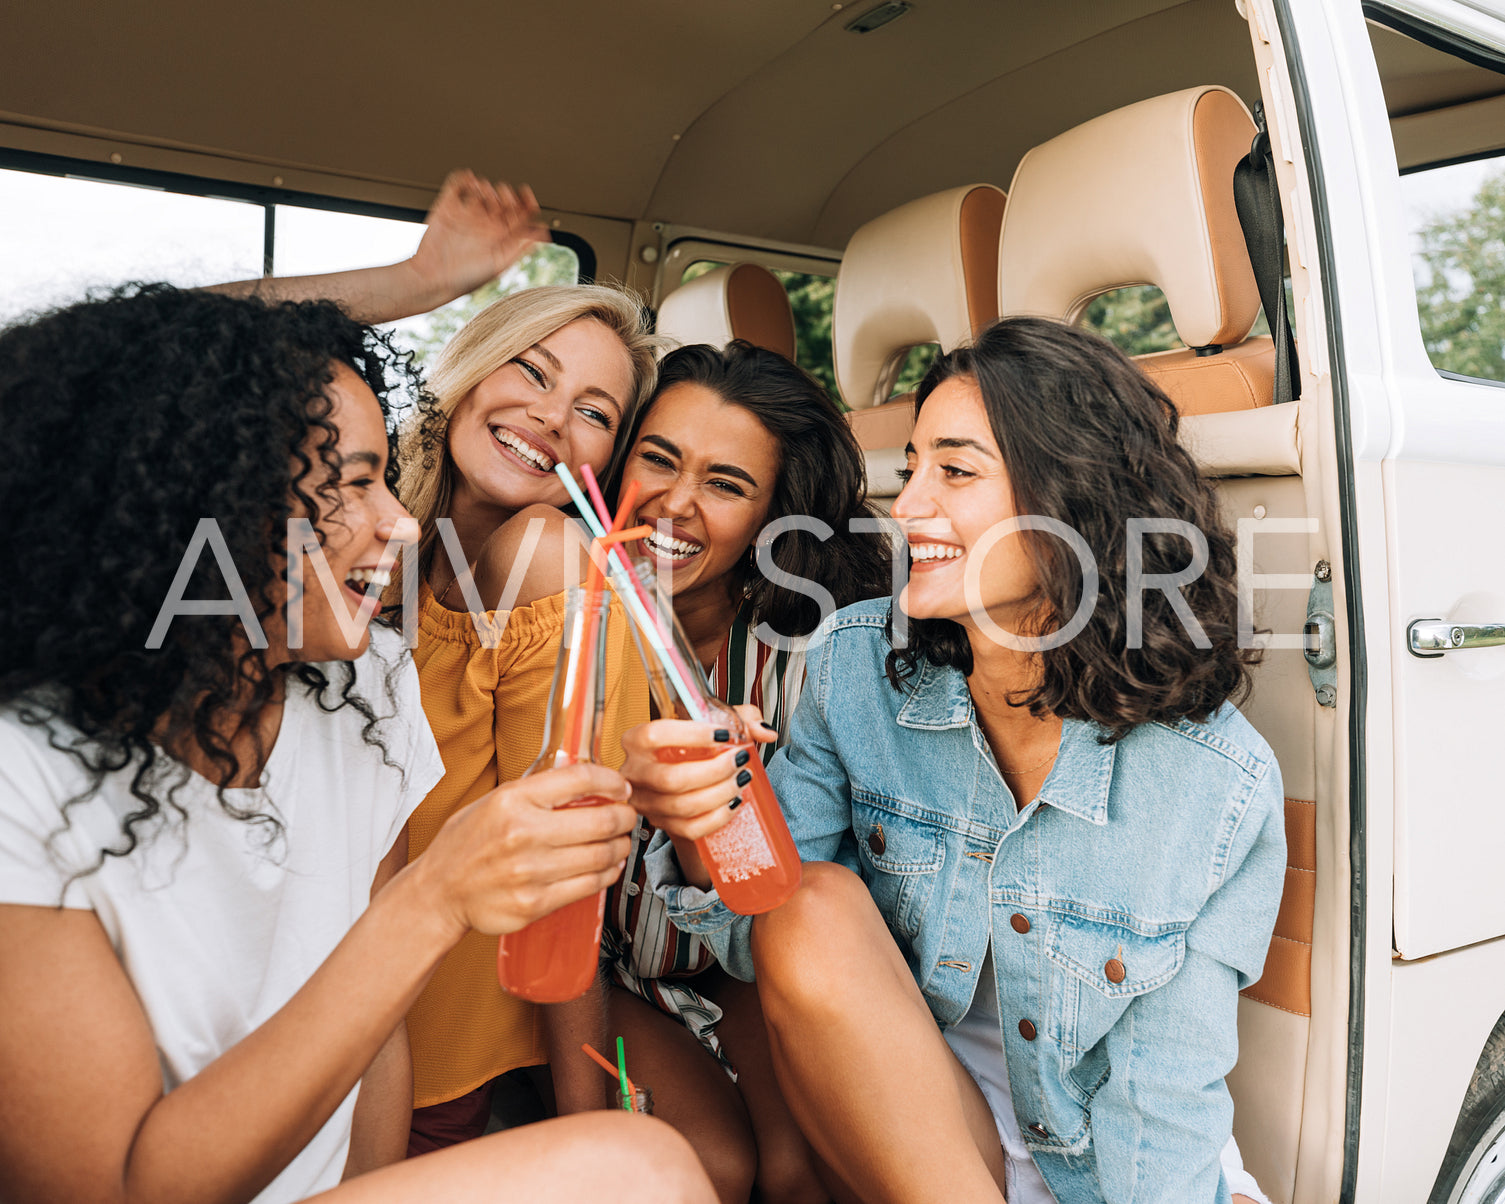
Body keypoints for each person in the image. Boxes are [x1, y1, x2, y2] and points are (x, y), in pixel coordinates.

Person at [0, 285, 715, 1204]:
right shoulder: (26, 777)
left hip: (421, 1096)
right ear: (201, 496)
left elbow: (383, 1042)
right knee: (639, 1170)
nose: (396, 522)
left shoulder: (366, 692)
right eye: (347, 482)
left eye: (593, 411)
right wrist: (434, 897)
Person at [628, 317, 1283, 1203]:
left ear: (1074, 495)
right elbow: (761, 939)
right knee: (808, 906)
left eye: (957, 470)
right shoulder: (856, 662)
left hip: (1101, 1160)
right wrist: (715, 815)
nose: (907, 506)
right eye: (914, 464)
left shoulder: (1213, 778)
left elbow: (1161, 1096)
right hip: (905, 1123)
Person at [601, 341, 893, 1204]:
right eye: (657, 459)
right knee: (714, 1169)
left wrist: (717, 804)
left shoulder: (801, 660)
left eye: (725, 485)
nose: (676, 504)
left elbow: (759, 912)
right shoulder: (567, 621)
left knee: (805, 1172)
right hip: (593, 970)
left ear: (775, 516)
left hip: (728, 964)